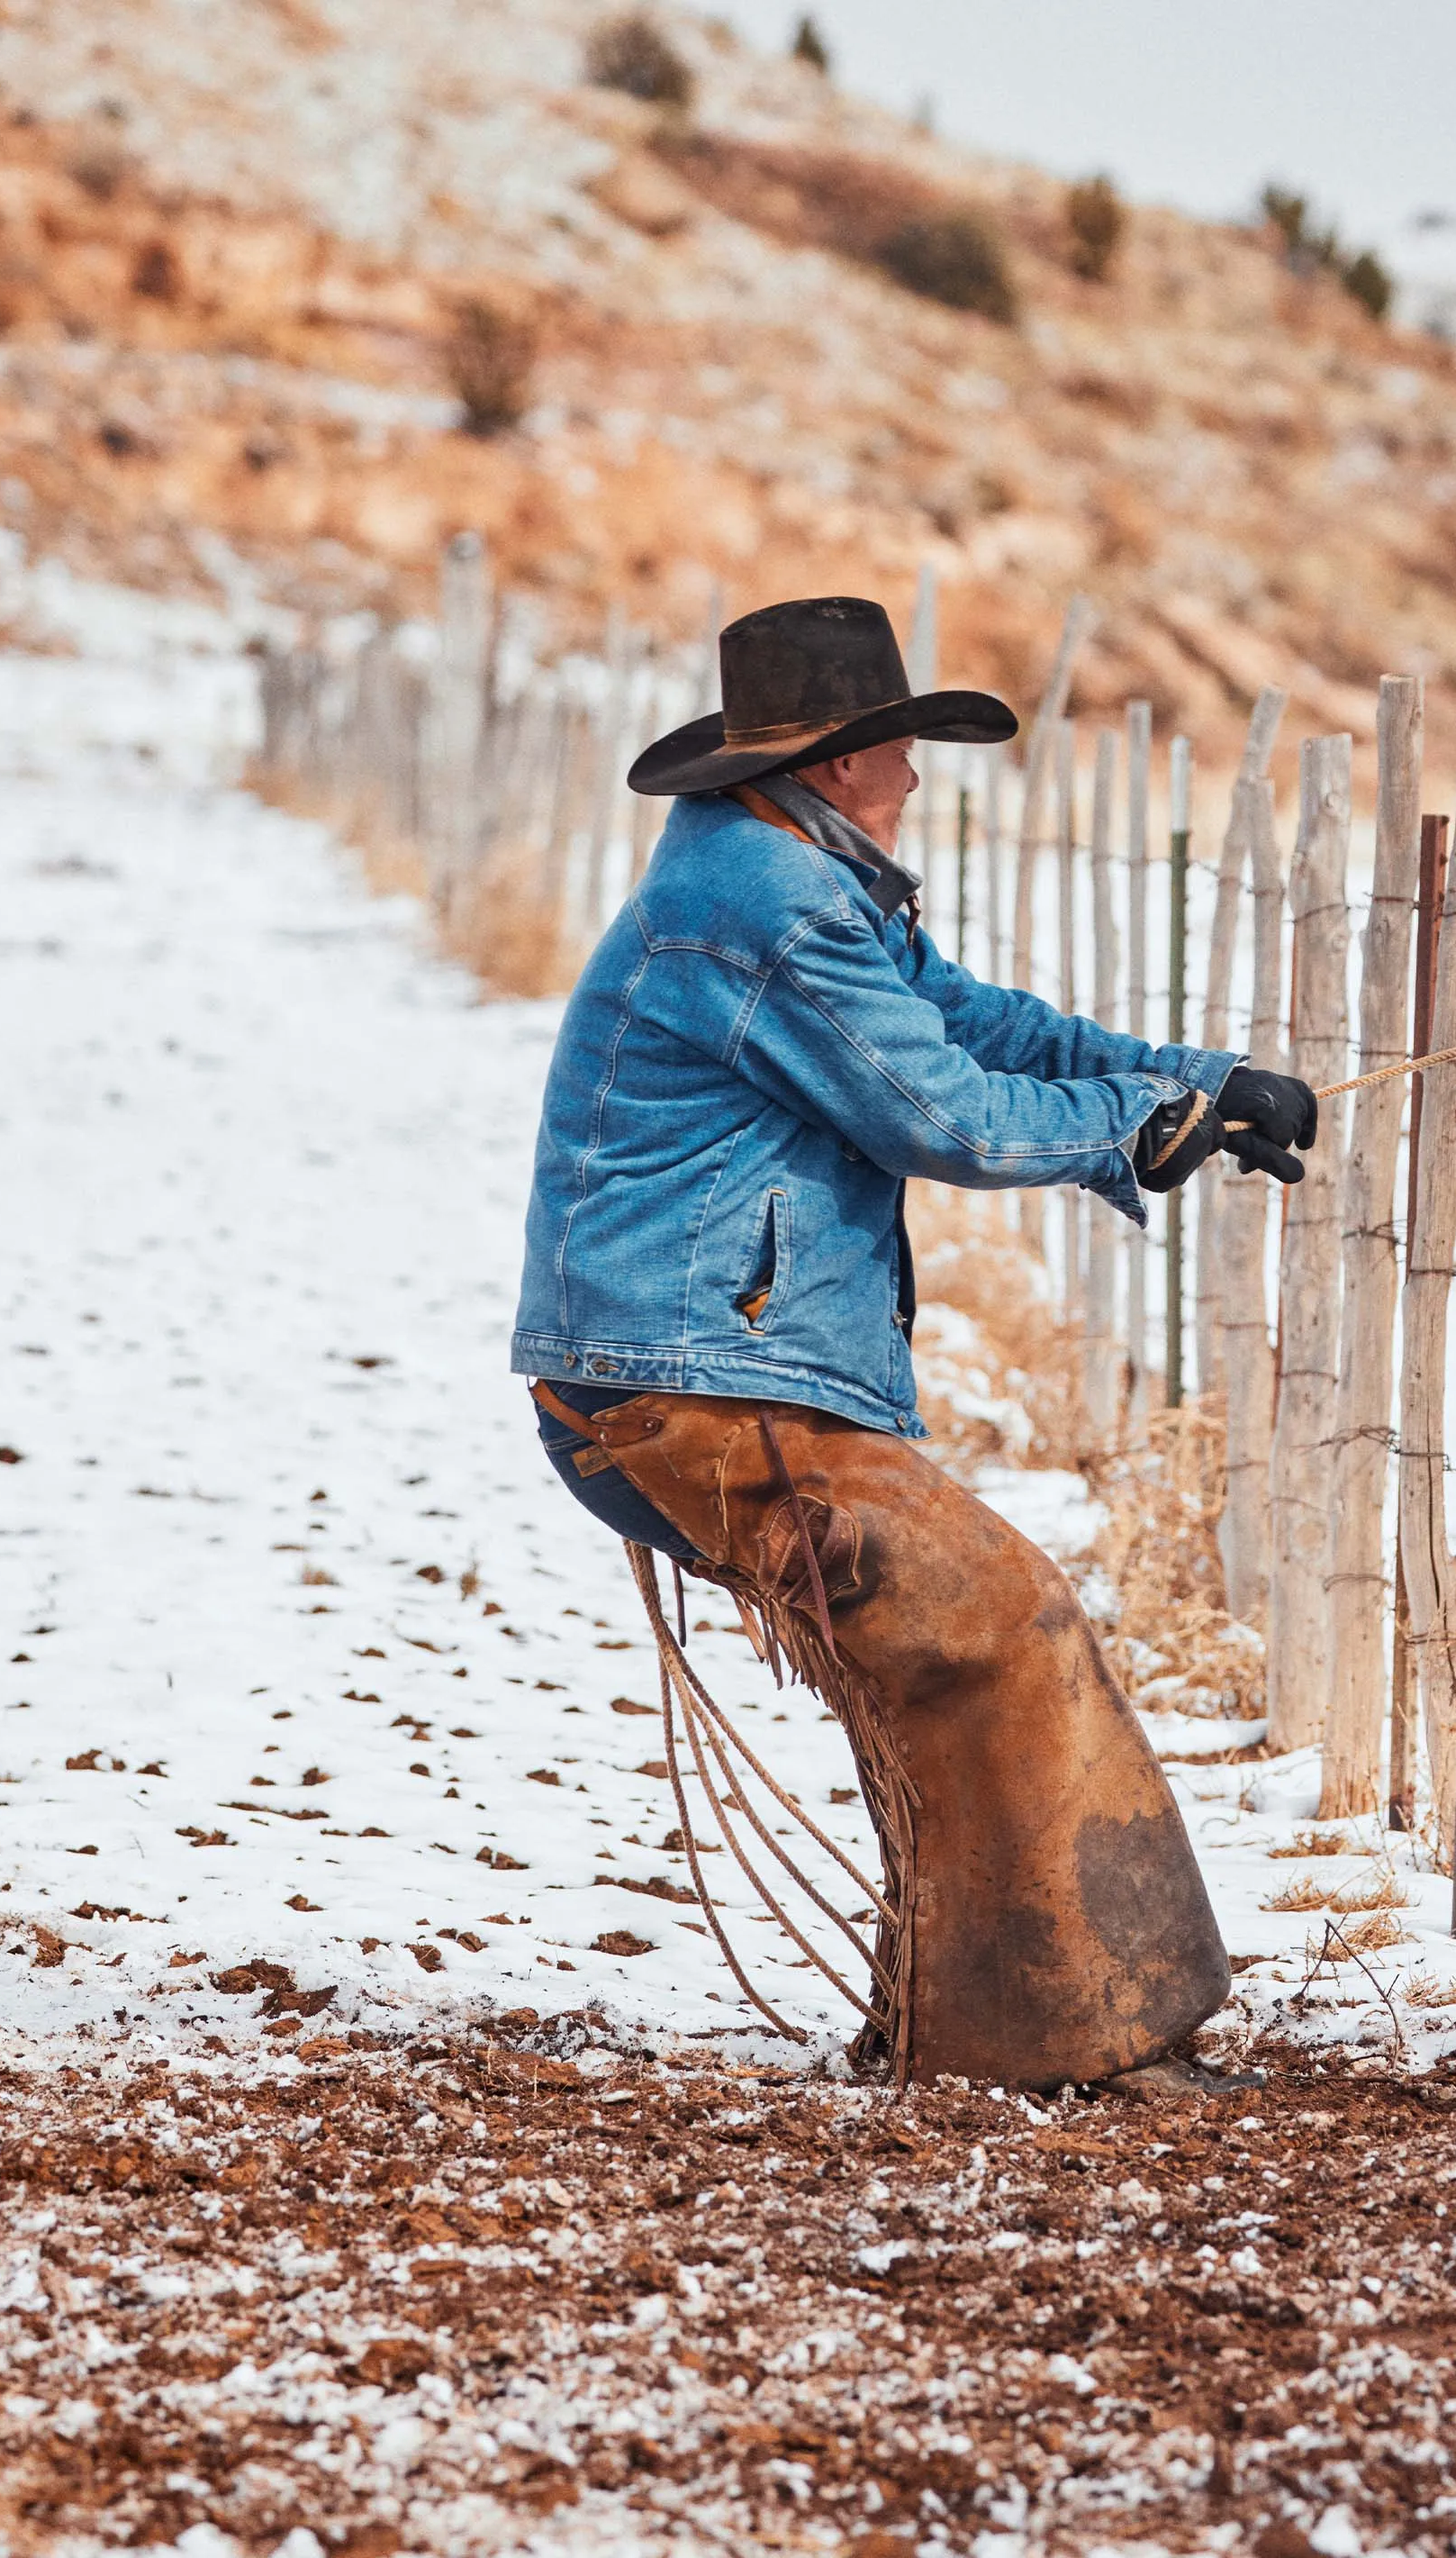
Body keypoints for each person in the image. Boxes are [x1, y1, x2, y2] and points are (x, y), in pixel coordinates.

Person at [513, 595, 1316, 2094]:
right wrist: (1141, 1129)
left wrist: (1191, 1079)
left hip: (700, 1372)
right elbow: (938, 1114)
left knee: (947, 1660)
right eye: (897, 748)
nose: (917, 776)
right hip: (689, 1390)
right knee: (1002, 1625)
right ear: (834, 764)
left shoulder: (790, 881)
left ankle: (979, 2031)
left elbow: (974, 1028)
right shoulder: (772, 903)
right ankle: (1073, 2037)